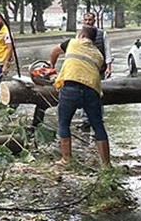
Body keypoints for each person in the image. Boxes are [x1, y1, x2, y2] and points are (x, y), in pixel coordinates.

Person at [47, 25, 111, 167]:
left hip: (70, 87)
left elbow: (55, 51)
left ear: (81, 36)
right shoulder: (99, 54)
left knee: (64, 122)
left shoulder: (72, 43)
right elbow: (93, 69)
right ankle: (106, 164)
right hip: (91, 90)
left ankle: (66, 159)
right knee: (98, 125)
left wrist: (51, 67)